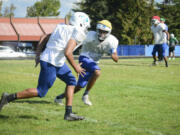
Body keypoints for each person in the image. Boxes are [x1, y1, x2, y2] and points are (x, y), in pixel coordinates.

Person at [0, 12, 91, 121]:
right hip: (51, 62)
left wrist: (38, 53)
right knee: (41, 92)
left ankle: (68, 113)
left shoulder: (62, 26)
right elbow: (68, 52)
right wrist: (76, 67)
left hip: (56, 61)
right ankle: (8, 97)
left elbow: (45, 36)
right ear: (81, 23)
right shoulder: (77, 32)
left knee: (71, 81)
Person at [54, 20, 119, 106]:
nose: (102, 33)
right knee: (97, 72)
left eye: (104, 32)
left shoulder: (112, 41)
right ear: (97, 30)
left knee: (79, 86)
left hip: (94, 62)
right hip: (84, 58)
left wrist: (113, 56)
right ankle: (86, 94)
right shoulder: (89, 35)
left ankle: (59, 97)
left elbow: (115, 57)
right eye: (100, 31)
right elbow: (75, 43)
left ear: (109, 32)